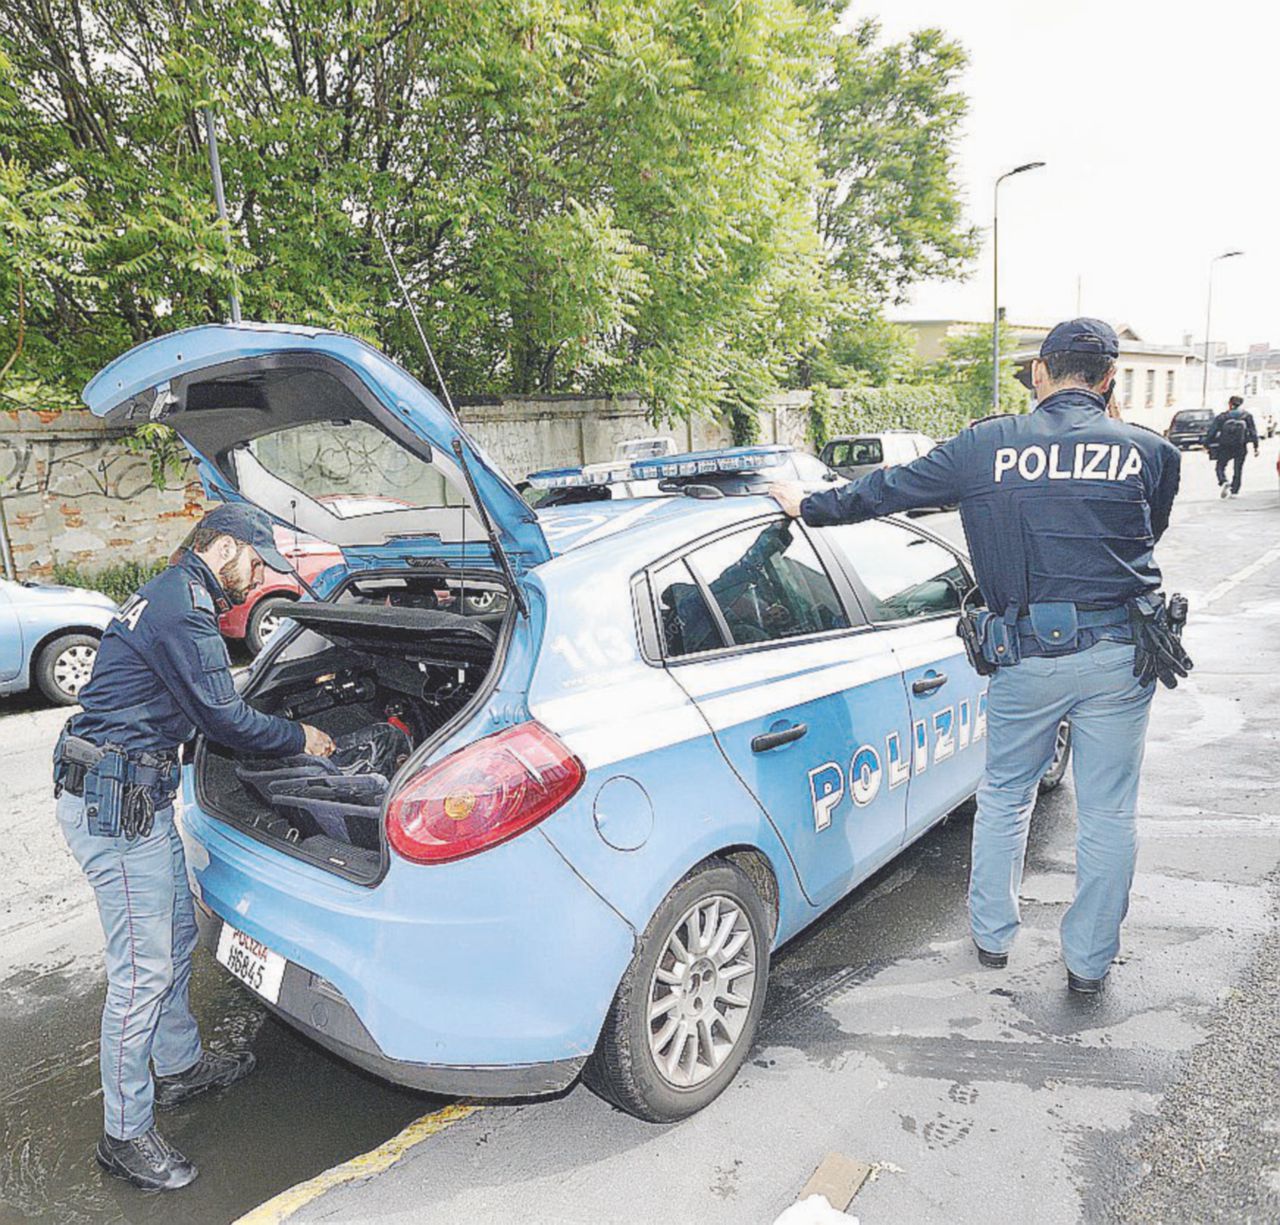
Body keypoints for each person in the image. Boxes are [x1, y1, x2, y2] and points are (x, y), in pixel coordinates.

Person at [768, 318, 1188, 996]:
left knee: (1005, 796)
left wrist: (808, 505)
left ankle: (993, 938)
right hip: (1120, 656)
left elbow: (885, 490)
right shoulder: (1149, 450)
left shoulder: (985, 445)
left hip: (1023, 656)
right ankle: (1088, 962)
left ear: (1042, 375)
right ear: (1108, 380)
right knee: (1109, 812)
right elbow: (1150, 529)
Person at [53, 504, 335, 1191]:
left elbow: (200, 695)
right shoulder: (185, 606)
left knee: (176, 933)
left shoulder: (173, 590)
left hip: (135, 797)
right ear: (229, 548)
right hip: (113, 807)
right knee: (141, 973)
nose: (256, 576)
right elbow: (223, 714)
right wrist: (305, 738)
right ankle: (124, 1134)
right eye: (256, 562)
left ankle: (178, 1067)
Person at [1204, 394, 1259, 497]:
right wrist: (1256, 447)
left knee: (1220, 466)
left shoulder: (1222, 417)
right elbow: (1253, 432)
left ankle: (1223, 481)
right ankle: (1234, 491)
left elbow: (1212, 431)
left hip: (1225, 446)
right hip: (1241, 446)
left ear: (1230, 404)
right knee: (1238, 468)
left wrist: (1206, 444)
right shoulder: (1247, 416)